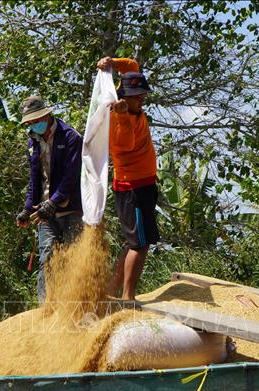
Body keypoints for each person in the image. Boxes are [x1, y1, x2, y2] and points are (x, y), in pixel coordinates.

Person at [97, 56, 160, 300]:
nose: (142, 100)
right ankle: (128, 297)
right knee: (139, 245)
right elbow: (124, 146)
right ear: (124, 97)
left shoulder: (131, 102)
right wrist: (123, 117)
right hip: (132, 189)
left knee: (136, 241)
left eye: (143, 96)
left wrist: (112, 62)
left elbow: (131, 66)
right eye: (137, 97)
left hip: (144, 185)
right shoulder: (116, 117)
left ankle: (112, 291)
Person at [16, 95, 83, 304]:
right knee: (47, 257)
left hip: (70, 209)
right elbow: (35, 179)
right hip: (44, 212)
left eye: (36, 120)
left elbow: (71, 176)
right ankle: (46, 307)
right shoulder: (33, 143)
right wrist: (28, 209)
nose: (34, 125)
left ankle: (78, 302)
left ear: (47, 114)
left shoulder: (71, 137)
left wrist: (54, 202)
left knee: (74, 258)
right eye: (30, 122)